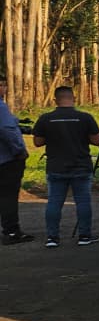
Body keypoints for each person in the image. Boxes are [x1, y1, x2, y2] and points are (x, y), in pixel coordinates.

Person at [32, 86, 99, 247]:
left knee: (54, 203)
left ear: (55, 100)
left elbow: (37, 142)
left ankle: (52, 238)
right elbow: (97, 141)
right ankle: (84, 236)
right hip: (81, 166)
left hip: (56, 167)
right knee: (83, 202)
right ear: (74, 98)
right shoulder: (85, 117)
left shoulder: (46, 118)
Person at [0, 77, 34, 245]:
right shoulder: (0, 107)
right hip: (6, 160)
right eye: (3, 85)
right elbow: (6, 129)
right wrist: (19, 150)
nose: (4, 89)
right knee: (8, 196)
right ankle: (12, 231)